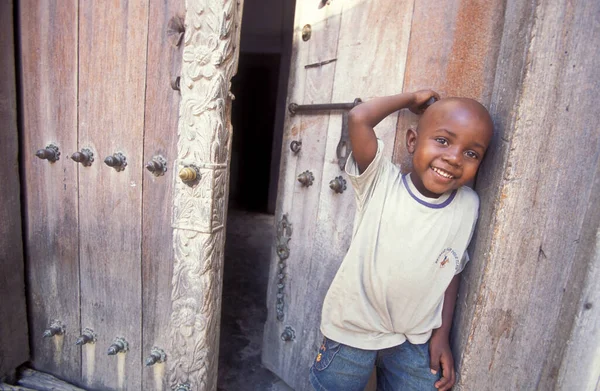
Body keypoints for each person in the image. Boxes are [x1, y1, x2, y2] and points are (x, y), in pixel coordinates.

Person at [309, 90, 494, 391]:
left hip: (414, 340)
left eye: (471, 153)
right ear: (412, 142)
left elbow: (451, 270)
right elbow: (359, 118)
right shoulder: (381, 182)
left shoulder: (467, 206)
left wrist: (442, 335)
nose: (453, 157)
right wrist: (409, 100)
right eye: (443, 141)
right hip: (352, 332)